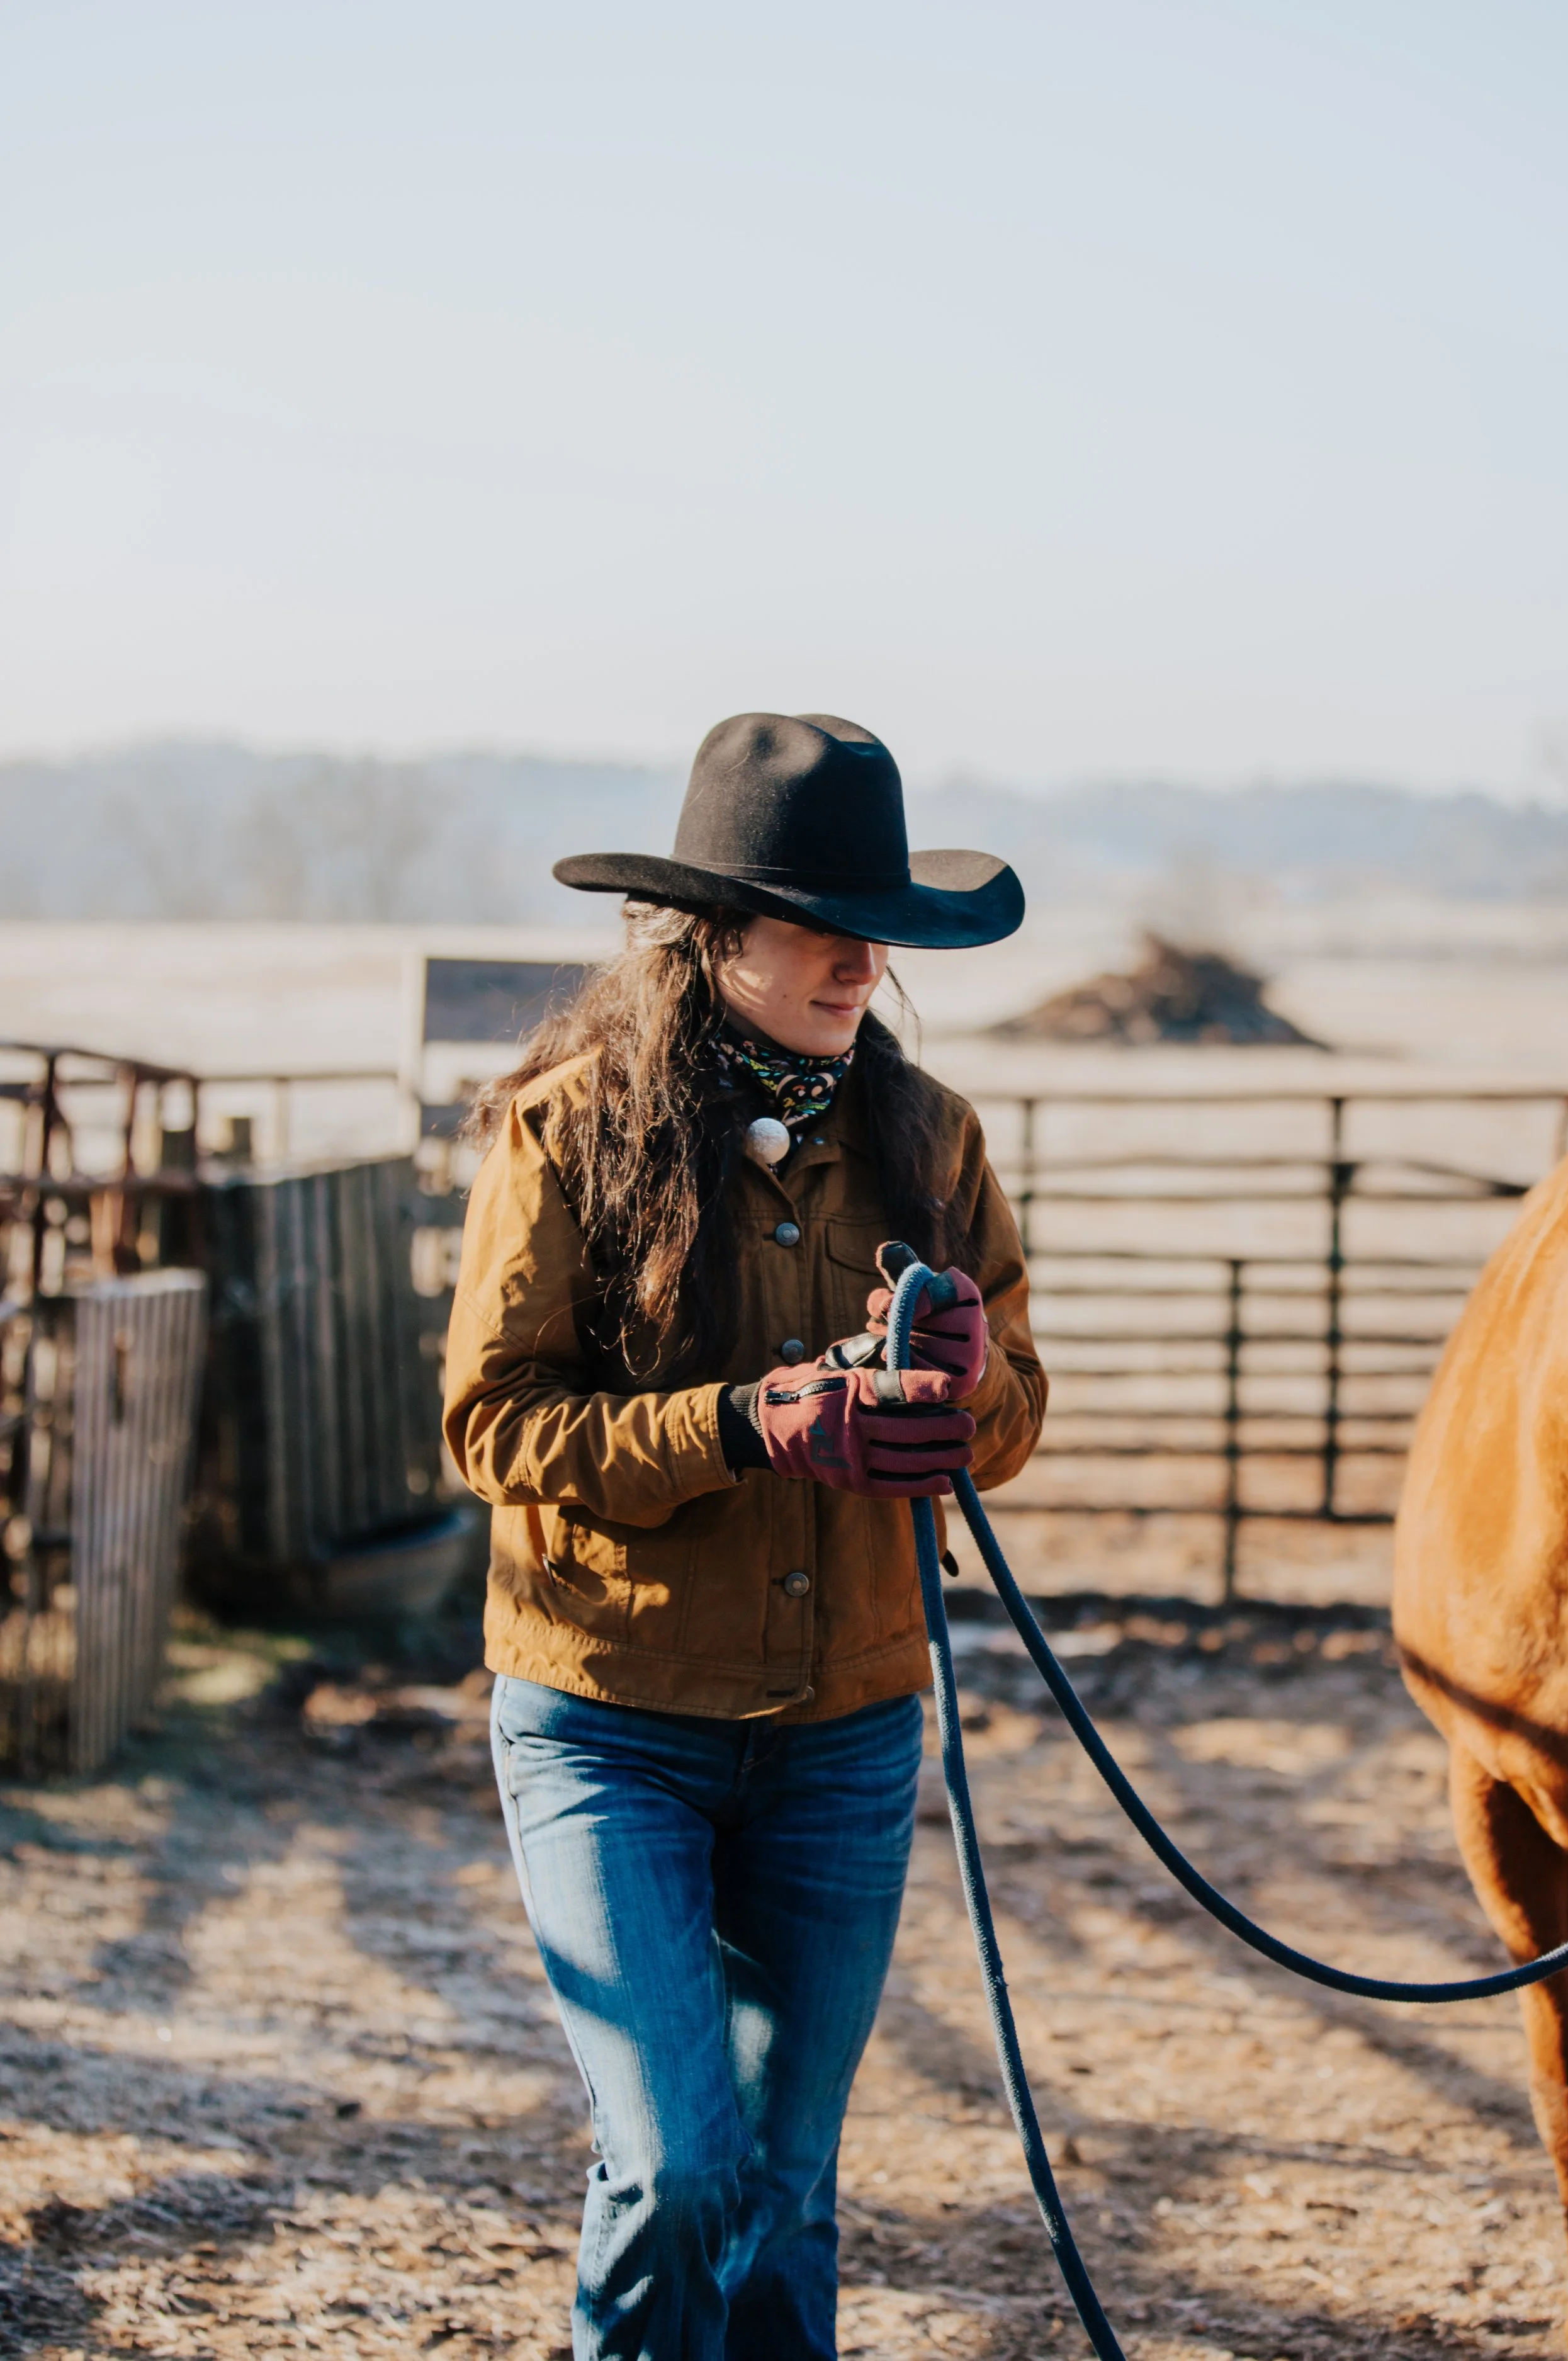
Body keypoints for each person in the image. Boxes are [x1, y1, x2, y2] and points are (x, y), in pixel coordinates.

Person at [443, 711, 1047, 2360]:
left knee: (785, 2179)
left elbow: (1010, 1410)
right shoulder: (568, 1130)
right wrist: (741, 1419)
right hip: (609, 1721)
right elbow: (492, 1423)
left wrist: (966, 1400)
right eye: (818, 920)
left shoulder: (932, 1142)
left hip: (843, 1729)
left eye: (879, 928)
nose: (861, 959)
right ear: (715, 931)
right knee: (677, 2160)